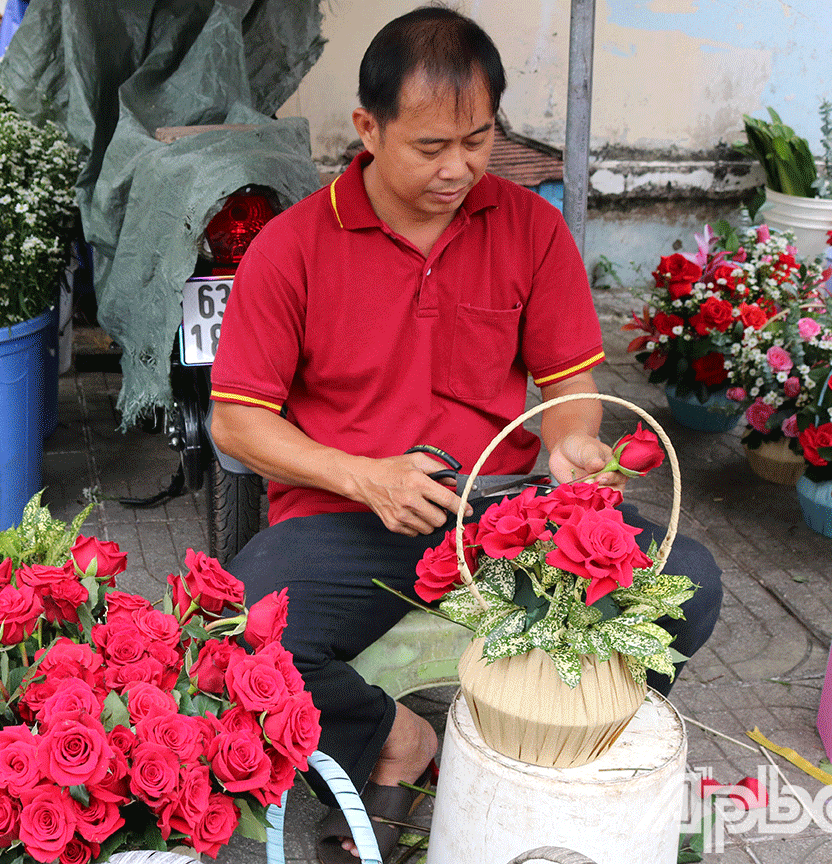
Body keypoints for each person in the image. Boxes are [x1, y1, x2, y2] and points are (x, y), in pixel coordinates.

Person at [208, 7, 723, 864]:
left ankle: (530, 739)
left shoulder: (528, 226)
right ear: (367, 128)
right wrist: (365, 476)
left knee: (688, 582)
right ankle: (395, 741)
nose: (458, 169)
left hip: (504, 514)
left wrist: (570, 447)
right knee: (235, 629)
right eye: (429, 147)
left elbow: (567, 386)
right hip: (348, 514)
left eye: (478, 142)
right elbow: (236, 421)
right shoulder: (292, 248)